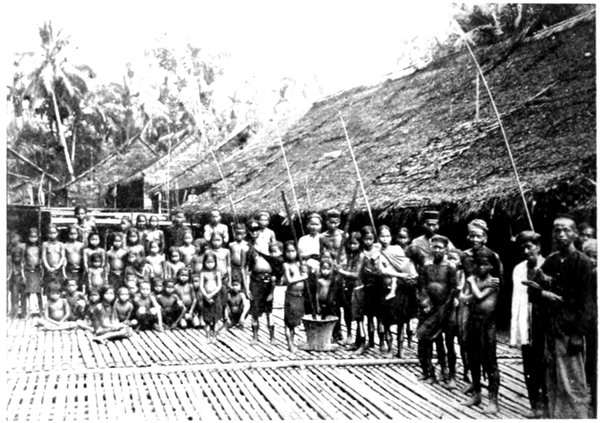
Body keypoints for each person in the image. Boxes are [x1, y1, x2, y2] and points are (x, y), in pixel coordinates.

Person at [529, 215, 594, 419]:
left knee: (573, 382)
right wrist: (543, 293)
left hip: (570, 331)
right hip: (551, 329)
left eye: (566, 230)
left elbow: (588, 304)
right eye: (557, 230)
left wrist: (577, 334)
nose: (561, 234)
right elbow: (533, 291)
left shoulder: (583, 263)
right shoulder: (551, 261)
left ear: (575, 234)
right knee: (553, 379)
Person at [510, 230, 547, 418]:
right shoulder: (519, 269)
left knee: (544, 364)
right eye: (522, 248)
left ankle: (547, 404)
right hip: (526, 321)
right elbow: (516, 301)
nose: (526, 251)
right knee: (529, 365)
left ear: (538, 247)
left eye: (529, 247)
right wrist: (516, 331)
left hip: (544, 322)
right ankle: (535, 406)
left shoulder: (548, 265)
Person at [460, 249, 501, 415]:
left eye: (485, 264)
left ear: (491, 266)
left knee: (490, 362)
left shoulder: (494, 281)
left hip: (487, 325)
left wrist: (475, 286)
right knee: (473, 359)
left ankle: (493, 401)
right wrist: (477, 286)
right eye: (478, 264)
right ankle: (476, 394)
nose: (481, 267)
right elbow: (463, 298)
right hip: (473, 322)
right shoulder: (476, 280)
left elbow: (477, 297)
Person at [416, 234, 458, 385]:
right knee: (427, 340)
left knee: (449, 343)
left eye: (440, 248)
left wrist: (444, 308)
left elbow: (453, 290)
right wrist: (425, 302)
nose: (437, 250)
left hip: (446, 309)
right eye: (434, 247)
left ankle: (451, 375)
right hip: (430, 308)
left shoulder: (450, 267)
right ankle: (430, 373)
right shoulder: (426, 266)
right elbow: (421, 286)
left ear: (446, 249)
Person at [378, 225, 418, 358]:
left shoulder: (397, 249)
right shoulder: (377, 252)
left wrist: (410, 275)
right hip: (385, 289)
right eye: (382, 236)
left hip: (401, 289)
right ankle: (390, 349)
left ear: (391, 237)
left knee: (401, 321)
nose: (385, 239)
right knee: (386, 321)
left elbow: (406, 264)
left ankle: (400, 350)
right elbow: (383, 271)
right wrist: (401, 275)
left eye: (387, 236)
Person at [245, 219, 277, 344]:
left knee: (269, 310)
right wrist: (247, 288)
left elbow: (276, 262)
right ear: (248, 231)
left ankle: (272, 337)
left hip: (268, 280)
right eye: (251, 230)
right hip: (255, 280)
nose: (254, 232)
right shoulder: (247, 247)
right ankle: (255, 336)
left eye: (256, 229)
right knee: (255, 311)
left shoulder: (266, 245)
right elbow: (246, 269)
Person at [335, 232, 364, 345]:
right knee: (346, 311)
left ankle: (359, 339)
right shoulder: (348, 255)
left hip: (356, 287)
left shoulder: (361, 256)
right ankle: (349, 334)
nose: (352, 246)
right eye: (350, 244)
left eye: (355, 244)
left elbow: (356, 274)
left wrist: (341, 271)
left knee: (357, 314)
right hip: (347, 286)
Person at [357, 225, 381, 351]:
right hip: (365, 285)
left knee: (380, 316)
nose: (368, 242)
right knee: (368, 316)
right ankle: (370, 341)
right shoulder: (360, 252)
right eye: (366, 239)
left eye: (370, 239)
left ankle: (382, 342)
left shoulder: (379, 249)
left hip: (377, 285)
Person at [281, 241, 308, 353]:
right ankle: (290, 343)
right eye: (288, 251)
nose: (291, 254)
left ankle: (293, 341)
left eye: (293, 251)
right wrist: (303, 277)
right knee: (289, 322)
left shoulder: (299, 263)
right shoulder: (286, 265)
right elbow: (289, 280)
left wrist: (305, 271)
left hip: (300, 295)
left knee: (296, 320)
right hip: (291, 295)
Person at [582, 238, 597, 418]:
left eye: (596, 257)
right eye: (589, 256)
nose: (593, 261)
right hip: (590, 327)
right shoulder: (585, 275)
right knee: (591, 363)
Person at [200, 252, 223, 343]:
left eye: (212, 262)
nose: (210, 264)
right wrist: (206, 295)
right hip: (206, 297)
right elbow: (201, 286)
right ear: (204, 262)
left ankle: (214, 336)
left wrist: (212, 294)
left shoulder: (217, 272)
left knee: (215, 319)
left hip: (215, 296)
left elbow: (219, 285)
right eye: (208, 262)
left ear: (215, 262)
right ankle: (207, 336)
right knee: (207, 319)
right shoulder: (203, 273)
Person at [23, 227, 43, 316]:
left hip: (37, 270)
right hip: (28, 270)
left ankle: (41, 311)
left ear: (37, 237)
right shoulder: (26, 248)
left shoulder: (39, 247)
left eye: (35, 237)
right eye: (31, 236)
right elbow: (24, 259)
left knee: (38, 292)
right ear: (28, 237)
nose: (33, 239)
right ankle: (27, 311)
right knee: (27, 292)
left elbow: (41, 259)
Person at [8, 232, 26, 318]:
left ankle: (24, 313)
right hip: (15, 276)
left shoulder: (23, 247)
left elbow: (24, 261)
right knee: (14, 295)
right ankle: (14, 312)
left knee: (23, 295)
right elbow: (12, 264)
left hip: (23, 275)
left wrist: (23, 273)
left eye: (14, 238)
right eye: (11, 238)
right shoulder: (12, 249)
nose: (12, 240)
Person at [42, 224, 65, 290]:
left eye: (54, 233)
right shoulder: (45, 244)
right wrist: (48, 267)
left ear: (57, 233)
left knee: (58, 287)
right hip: (48, 270)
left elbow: (62, 257)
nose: (52, 235)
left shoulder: (61, 244)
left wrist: (57, 267)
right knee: (48, 287)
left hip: (58, 270)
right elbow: (44, 257)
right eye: (50, 233)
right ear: (47, 234)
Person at [63, 225, 85, 291]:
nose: (73, 235)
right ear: (68, 234)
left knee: (79, 286)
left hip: (79, 269)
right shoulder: (65, 245)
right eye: (71, 234)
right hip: (69, 268)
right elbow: (64, 257)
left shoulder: (81, 245)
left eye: (75, 233)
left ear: (78, 234)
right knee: (69, 285)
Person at [229, 223, 249, 292]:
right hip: (233, 267)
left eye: (241, 233)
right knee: (234, 283)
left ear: (245, 234)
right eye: (237, 233)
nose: (239, 235)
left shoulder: (246, 245)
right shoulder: (231, 245)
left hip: (243, 267)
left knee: (243, 283)